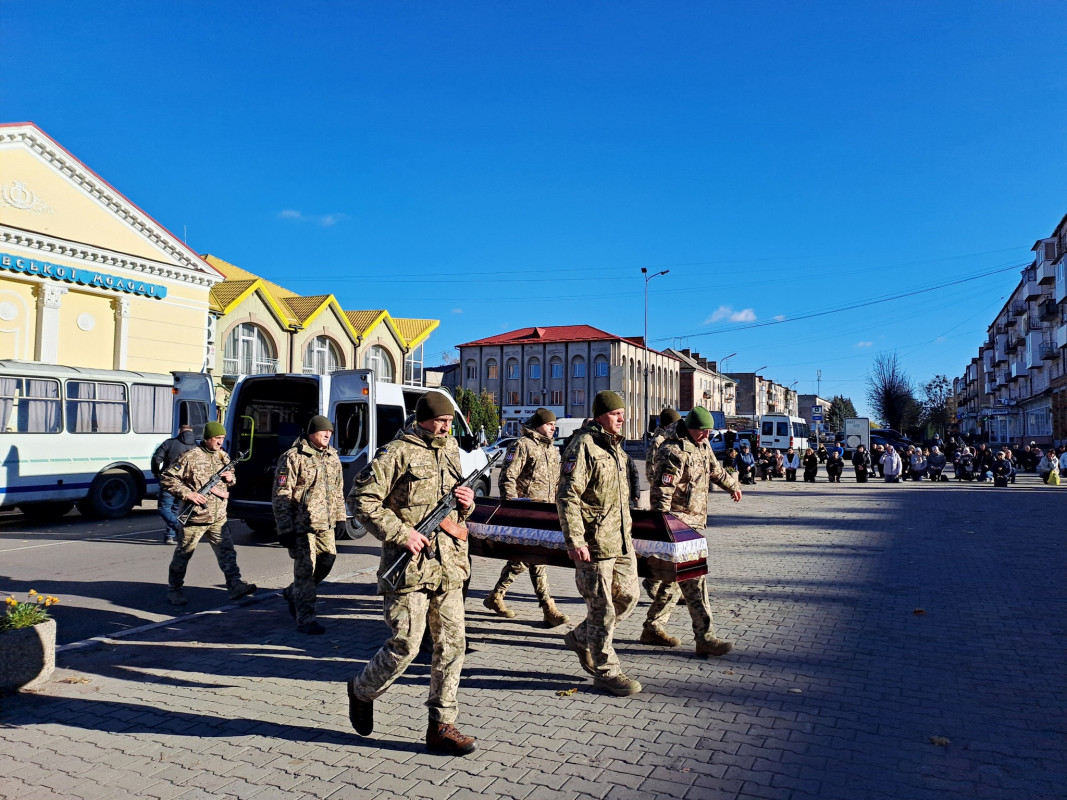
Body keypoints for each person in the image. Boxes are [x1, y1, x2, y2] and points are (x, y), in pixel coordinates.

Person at [346, 393, 478, 755]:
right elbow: (362, 500)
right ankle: (362, 689)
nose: (447, 427)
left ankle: (441, 726)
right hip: (409, 567)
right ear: (423, 419)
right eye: (441, 421)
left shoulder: (451, 448)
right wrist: (403, 533)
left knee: (452, 646)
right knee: (406, 644)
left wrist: (467, 504)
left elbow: (455, 499)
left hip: (448, 565)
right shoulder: (396, 452)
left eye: (450, 421)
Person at [557, 390, 641, 697]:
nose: (622, 418)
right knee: (602, 608)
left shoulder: (617, 449)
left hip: (619, 542)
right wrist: (574, 539)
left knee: (629, 597)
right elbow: (567, 495)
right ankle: (606, 672)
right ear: (600, 415)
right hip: (593, 544)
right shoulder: (584, 446)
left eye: (622, 413)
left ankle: (581, 637)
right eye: (616, 413)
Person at [642, 407, 740, 657]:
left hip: (694, 524)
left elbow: (715, 471)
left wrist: (732, 486)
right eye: (702, 430)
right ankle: (705, 637)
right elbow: (661, 490)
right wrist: (663, 527)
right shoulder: (672, 450)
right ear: (689, 427)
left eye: (709, 430)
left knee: (674, 582)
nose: (706, 434)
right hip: (678, 526)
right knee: (695, 580)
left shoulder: (703, 445)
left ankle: (653, 627)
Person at [484, 408, 568, 628]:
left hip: (546, 512)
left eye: (554, 425)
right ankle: (548, 607)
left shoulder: (551, 449)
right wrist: (511, 509)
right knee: (536, 559)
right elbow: (507, 476)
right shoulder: (523, 445)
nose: (553, 428)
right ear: (539, 424)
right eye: (550, 424)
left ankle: (496, 596)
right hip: (526, 513)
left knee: (522, 559)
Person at [160, 421, 256, 607]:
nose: (220, 442)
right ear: (207, 438)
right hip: (195, 517)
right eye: (217, 438)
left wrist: (230, 479)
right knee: (183, 554)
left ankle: (234, 584)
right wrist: (189, 494)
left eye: (222, 438)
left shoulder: (223, 456)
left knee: (227, 552)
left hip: (218, 516)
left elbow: (231, 478)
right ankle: (174, 589)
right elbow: (167, 478)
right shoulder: (190, 457)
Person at [272, 415, 346, 635]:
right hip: (302, 525)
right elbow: (281, 494)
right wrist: (284, 527)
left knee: (328, 560)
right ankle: (306, 618)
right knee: (305, 571)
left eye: (330, 433)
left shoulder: (333, 456)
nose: (327, 435)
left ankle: (293, 592)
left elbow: (338, 490)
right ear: (312, 432)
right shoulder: (293, 457)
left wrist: (341, 517)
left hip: (326, 523)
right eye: (324, 432)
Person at [152, 425, 197, 544]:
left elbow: (157, 459)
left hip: (169, 481)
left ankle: (177, 527)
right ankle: (170, 536)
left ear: (179, 432)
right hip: (185, 483)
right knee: (176, 509)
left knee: (164, 508)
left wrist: (156, 472)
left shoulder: (169, 443)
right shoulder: (197, 446)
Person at [645, 407, 681, 486]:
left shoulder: (672, 438)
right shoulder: (658, 440)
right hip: (663, 484)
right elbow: (650, 465)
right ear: (668, 426)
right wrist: (657, 484)